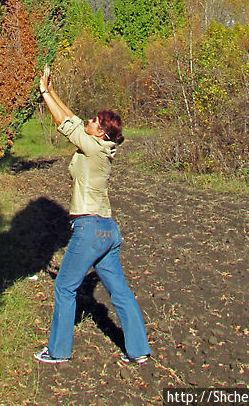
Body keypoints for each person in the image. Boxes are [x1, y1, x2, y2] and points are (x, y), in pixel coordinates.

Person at [34, 64, 151, 366]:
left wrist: (45, 94)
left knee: (64, 286)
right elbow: (72, 119)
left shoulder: (95, 149)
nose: (88, 120)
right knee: (120, 292)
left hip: (88, 229)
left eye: (94, 120)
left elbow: (65, 123)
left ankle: (58, 351)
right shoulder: (101, 146)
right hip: (107, 232)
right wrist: (50, 89)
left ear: (100, 131)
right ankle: (138, 351)